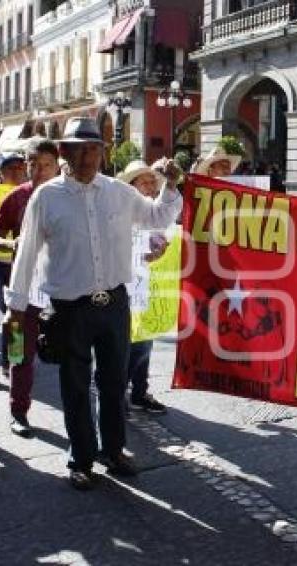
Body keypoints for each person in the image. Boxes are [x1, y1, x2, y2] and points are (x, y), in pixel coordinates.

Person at [5, 118, 183, 490]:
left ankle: (113, 450)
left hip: (114, 303)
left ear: (103, 153)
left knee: (114, 381)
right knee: (74, 384)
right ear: (64, 153)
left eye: (93, 149)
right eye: (77, 149)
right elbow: (26, 254)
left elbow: (158, 217)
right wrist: (16, 307)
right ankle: (81, 459)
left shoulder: (119, 192)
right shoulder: (46, 197)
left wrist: (170, 185)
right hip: (68, 308)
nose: (86, 156)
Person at [0, 140, 59, 433]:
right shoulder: (16, 197)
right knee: (18, 351)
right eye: (32, 163)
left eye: (45, 164)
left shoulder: (71, 196)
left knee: (72, 357)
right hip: (20, 291)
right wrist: (10, 243)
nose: (37, 170)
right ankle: (18, 412)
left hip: (62, 291)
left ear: (57, 165)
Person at [116, 159, 171, 414]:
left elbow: (163, 237)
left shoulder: (154, 210)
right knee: (127, 342)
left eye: (152, 182)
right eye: (144, 181)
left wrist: (161, 249)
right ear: (131, 186)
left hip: (149, 285)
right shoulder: (118, 210)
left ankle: (138, 392)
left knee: (145, 339)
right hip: (122, 285)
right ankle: (121, 392)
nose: (150, 186)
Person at [0, 152, 28, 386]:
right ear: (0, 174)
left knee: (16, 316)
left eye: (20, 168)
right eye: (10, 169)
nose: (16, 172)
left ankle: (13, 361)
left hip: (19, 265)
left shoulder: (29, 195)